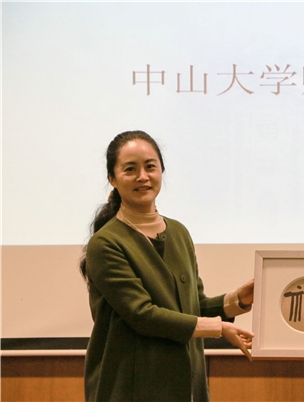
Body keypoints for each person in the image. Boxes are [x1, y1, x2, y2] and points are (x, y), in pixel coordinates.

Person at [79, 130, 254, 402]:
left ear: (162, 171)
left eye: (150, 167)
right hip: (130, 388)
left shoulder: (179, 233)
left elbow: (191, 307)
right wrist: (220, 328)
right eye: (130, 169)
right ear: (112, 178)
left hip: (186, 385)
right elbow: (142, 314)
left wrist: (236, 301)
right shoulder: (105, 243)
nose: (143, 177)